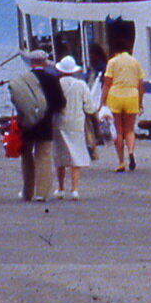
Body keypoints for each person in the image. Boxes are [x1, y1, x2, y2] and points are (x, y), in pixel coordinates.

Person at [6, 50, 66, 202]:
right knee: (43, 156)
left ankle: (27, 192)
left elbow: (17, 100)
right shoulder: (52, 79)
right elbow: (60, 102)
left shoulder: (23, 80)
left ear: (31, 62)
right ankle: (42, 193)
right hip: (45, 122)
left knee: (27, 156)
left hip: (26, 122)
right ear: (45, 62)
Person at [52, 56, 98, 200]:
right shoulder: (81, 85)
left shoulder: (56, 85)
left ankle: (60, 188)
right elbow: (90, 107)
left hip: (58, 123)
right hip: (77, 123)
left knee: (60, 156)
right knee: (76, 156)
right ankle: (75, 189)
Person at [101, 42, 147, 172]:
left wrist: (102, 102)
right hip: (132, 95)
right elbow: (141, 85)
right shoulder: (135, 62)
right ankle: (131, 152)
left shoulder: (112, 62)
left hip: (115, 96)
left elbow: (107, 84)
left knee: (119, 131)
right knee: (130, 130)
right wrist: (140, 102)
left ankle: (121, 161)